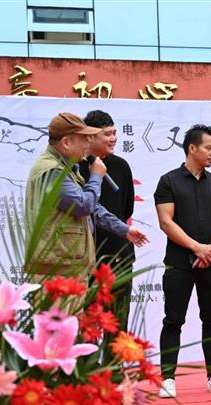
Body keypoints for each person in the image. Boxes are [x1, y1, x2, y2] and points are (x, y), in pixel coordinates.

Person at [154, 124, 211, 398]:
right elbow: (166, 222)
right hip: (179, 263)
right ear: (192, 148)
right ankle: (167, 378)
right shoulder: (168, 181)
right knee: (173, 320)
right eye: (208, 148)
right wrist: (196, 247)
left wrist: (210, 248)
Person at [25, 112, 147, 282]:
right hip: (57, 271)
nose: (87, 144)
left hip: (68, 267)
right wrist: (96, 176)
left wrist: (124, 230)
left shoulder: (66, 167)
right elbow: (84, 206)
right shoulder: (52, 170)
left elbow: (94, 208)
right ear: (66, 142)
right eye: (84, 139)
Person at [79, 110, 137, 328]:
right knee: (87, 322)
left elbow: (127, 208)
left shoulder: (121, 166)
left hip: (119, 251)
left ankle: (115, 353)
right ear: (90, 137)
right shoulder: (76, 167)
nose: (113, 138)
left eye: (114, 133)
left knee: (117, 321)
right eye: (107, 134)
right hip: (87, 255)